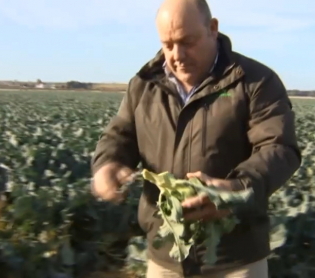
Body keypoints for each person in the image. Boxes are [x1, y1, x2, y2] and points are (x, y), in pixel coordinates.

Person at [90, 0, 302, 277]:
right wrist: (108, 164)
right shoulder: (144, 85)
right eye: (167, 44)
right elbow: (119, 136)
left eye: (187, 41)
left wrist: (234, 190)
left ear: (212, 29)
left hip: (235, 260)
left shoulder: (254, 81)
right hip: (166, 256)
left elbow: (280, 148)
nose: (177, 55)